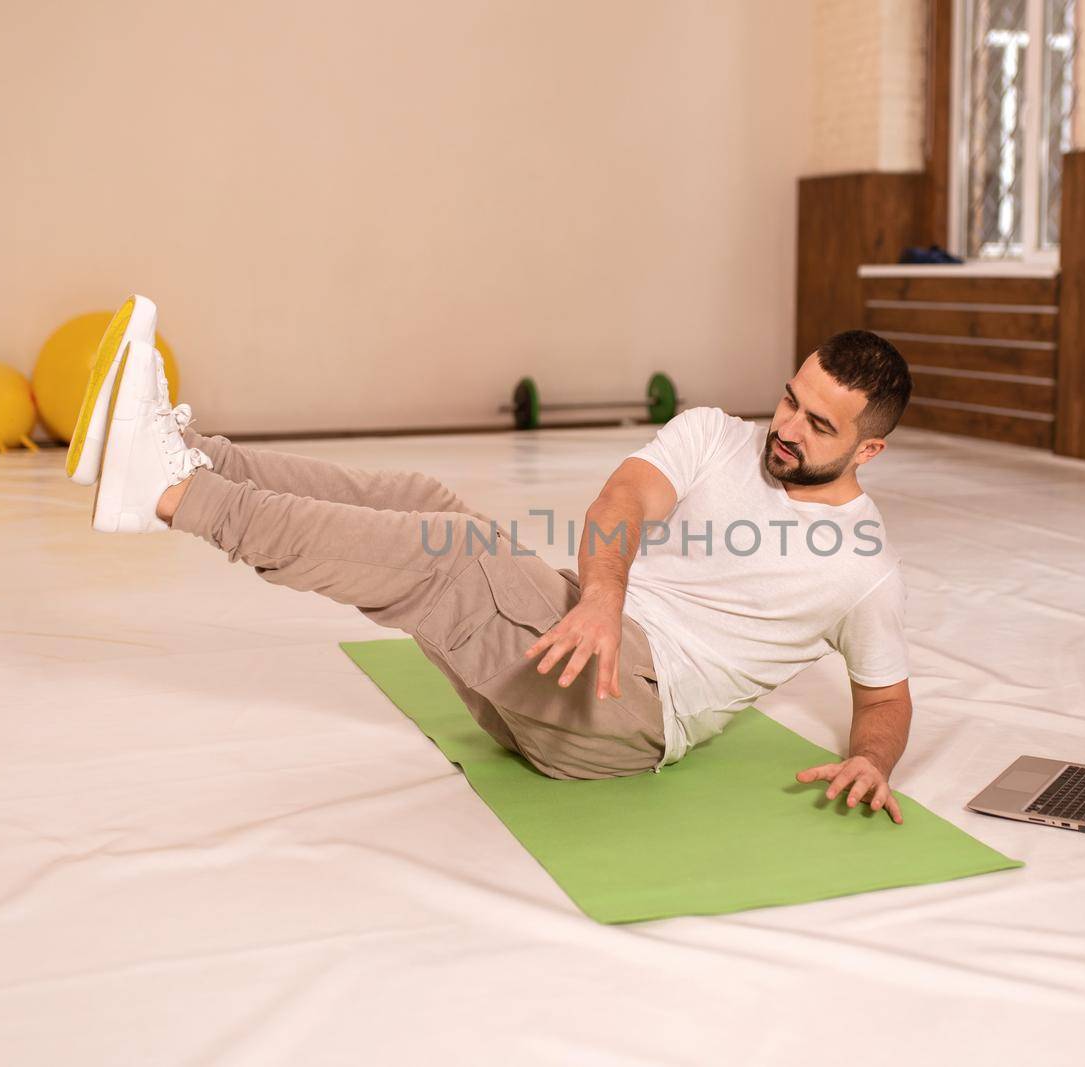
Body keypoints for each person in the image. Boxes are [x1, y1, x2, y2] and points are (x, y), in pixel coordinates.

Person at [81, 324, 913, 821]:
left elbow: (884, 696)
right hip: (582, 646)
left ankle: (169, 495)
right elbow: (623, 500)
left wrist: (872, 760)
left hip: (626, 715)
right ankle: (194, 457)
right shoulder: (717, 435)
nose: (788, 426)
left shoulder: (862, 567)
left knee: (452, 551)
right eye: (790, 398)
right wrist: (599, 597)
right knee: (426, 499)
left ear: (868, 449)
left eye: (818, 423)